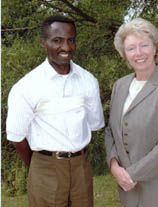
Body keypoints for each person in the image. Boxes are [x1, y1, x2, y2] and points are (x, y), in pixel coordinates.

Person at [6, 15, 104, 207]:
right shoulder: (27, 86)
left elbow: (94, 125)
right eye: (57, 40)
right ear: (44, 42)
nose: (66, 48)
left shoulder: (88, 81)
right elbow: (16, 137)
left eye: (71, 40)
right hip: (45, 168)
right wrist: (39, 164)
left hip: (80, 167)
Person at [105, 17, 158, 207]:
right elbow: (111, 130)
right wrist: (114, 166)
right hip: (128, 190)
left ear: (155, 48)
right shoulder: (120, 85)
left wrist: (130, 175)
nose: (138, 53)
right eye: (131, 48)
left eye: (144, 45)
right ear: (124, 54)